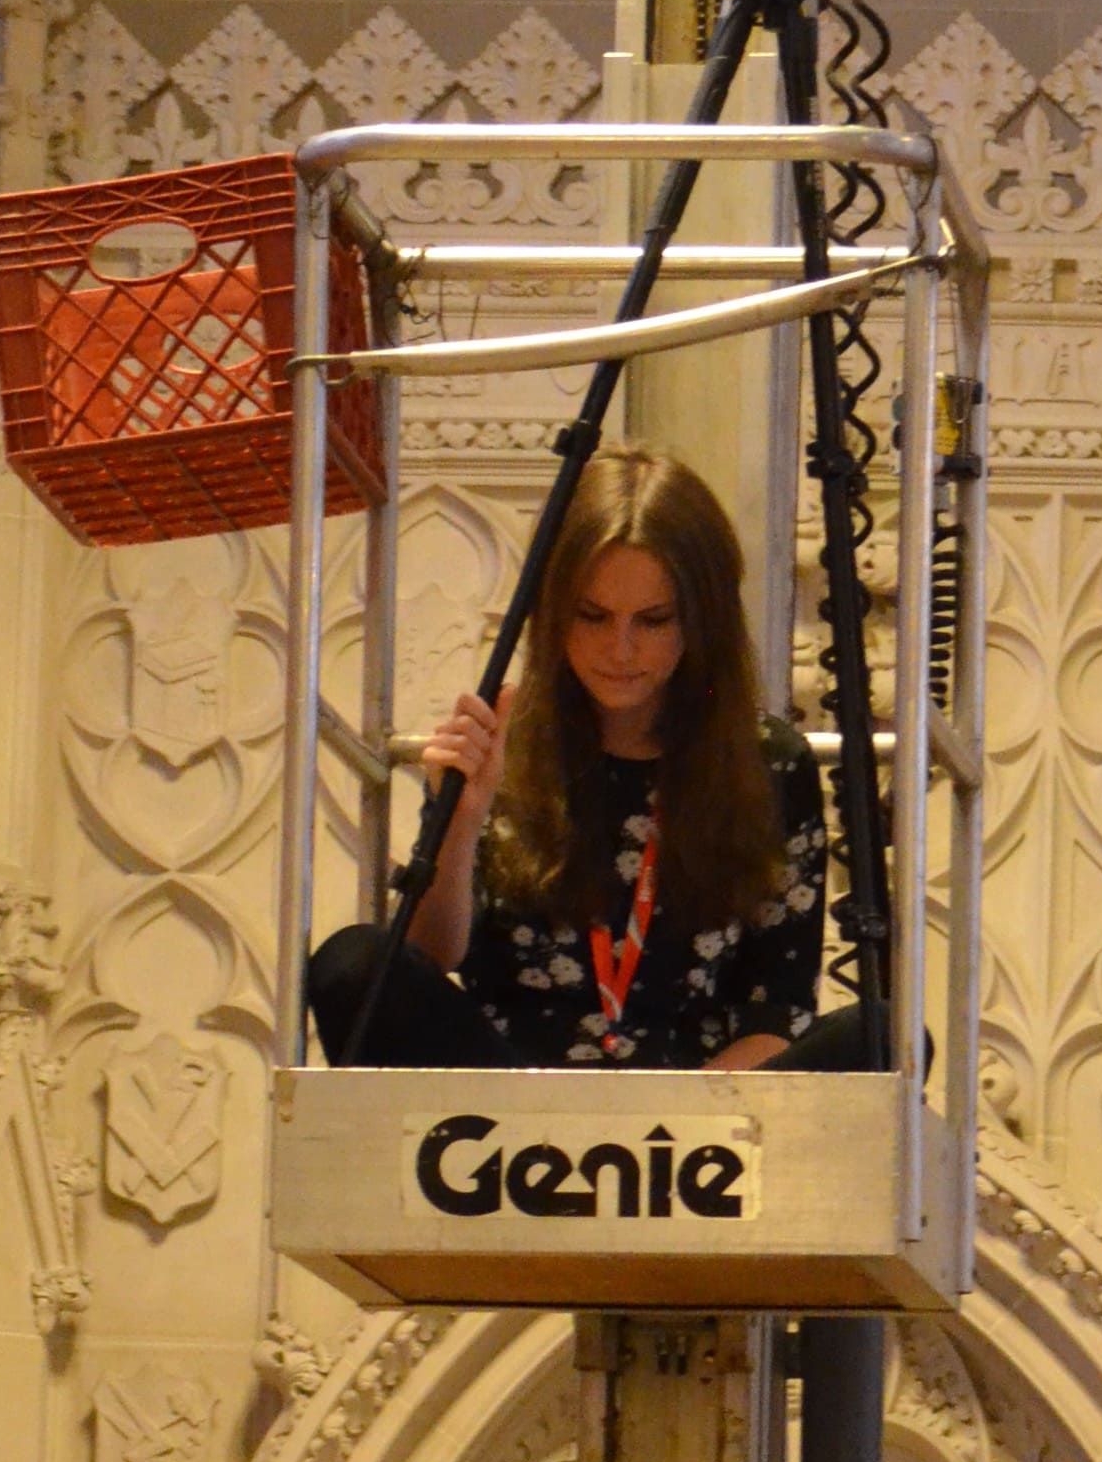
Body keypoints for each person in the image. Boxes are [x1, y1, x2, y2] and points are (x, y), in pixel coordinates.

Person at [306, 447, 874, 1073]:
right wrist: (460, 821)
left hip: (697, 1128)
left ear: (700, 619)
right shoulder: (506, 741)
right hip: (507, 1103)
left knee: (882, 1034)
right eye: (592, 616)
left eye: (653, 621)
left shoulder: (769, 761)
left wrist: (657, 1135)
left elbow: (777, 1010)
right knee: (353, 964)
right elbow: (433, 956)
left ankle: (656, 1161)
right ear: (551, 613)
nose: (620, 649)